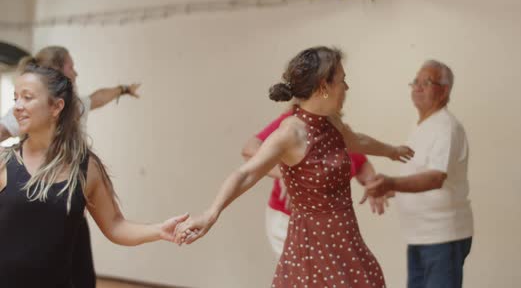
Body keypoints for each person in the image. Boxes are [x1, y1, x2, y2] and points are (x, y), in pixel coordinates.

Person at [175, 46, 413, 287]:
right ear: (323, 86)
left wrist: (391, 151)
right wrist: (211, 213)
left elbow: (358, 141)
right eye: (342, 80)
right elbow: (246, 173)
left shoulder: (332, 124)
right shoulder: (291, 132)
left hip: (345, 238)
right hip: (312, 245)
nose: (347, 87)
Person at [0, 59, 185, 288]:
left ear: (56, 107)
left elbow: (115, 225)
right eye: (15, 98)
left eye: (27, 97)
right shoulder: (3, 162)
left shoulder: (86, 169)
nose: (17, 106)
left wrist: (159, 230)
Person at [363, 60, 473, 288]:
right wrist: (387, 189)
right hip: (420, 236)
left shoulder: (446, 127)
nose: (418, 87)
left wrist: (391, 182)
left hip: (442, 237)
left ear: (444, 91)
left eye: (427, 82)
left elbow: (435, 178)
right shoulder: (421, 125)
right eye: (415, 82)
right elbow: (418, 176)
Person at [242, 108, 391, 257]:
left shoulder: (337, 128)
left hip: (330, 224)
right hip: (290, 222)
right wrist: (286, 174)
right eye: (339, 85)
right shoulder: (292, 123)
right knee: (305, 277)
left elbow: (359, 163)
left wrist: (372, 182)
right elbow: (250, 150)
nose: (344, 90)